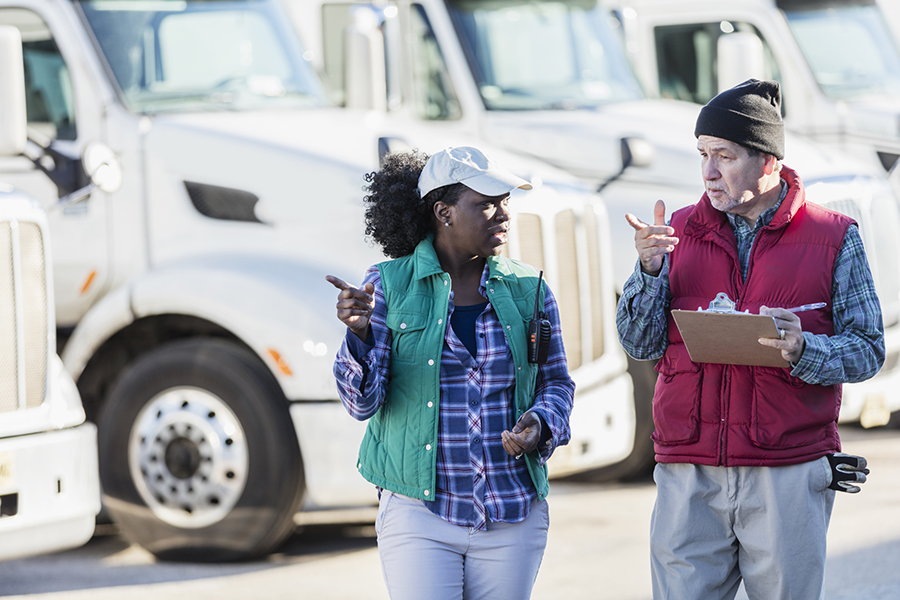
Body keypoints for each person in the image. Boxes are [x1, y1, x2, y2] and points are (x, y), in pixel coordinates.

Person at [616, 79, 883, 600]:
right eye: (703, 155)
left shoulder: (834, 237)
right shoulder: (673, 233)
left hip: (786, 472)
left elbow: (869, 348)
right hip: (688, 472)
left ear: (768, 162)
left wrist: (807, 350)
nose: (708, 172)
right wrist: (648, 272)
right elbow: (641, 343)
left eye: (725, 156)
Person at [326, 146, 575, 600]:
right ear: (443, 212)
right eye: (485, 204)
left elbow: (557, 383)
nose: (502, 214)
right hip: (418, 511)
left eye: (505, 202)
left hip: (511, 509)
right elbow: (361, 404)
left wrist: (541, 423)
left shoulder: (529, 288)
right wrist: (360, 334)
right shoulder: (386, 285)